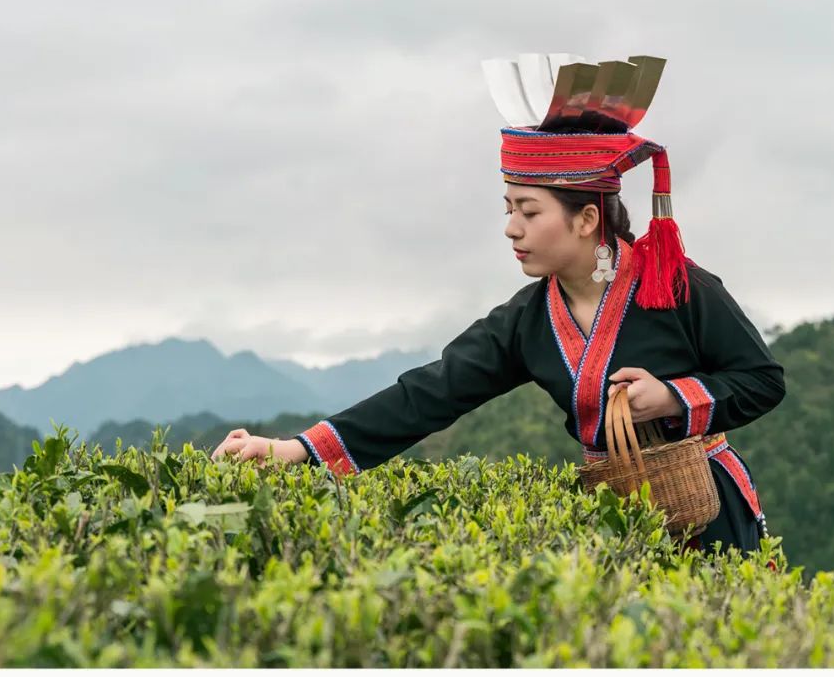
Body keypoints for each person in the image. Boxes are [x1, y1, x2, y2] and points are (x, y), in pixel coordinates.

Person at [211, 54, 786, 555]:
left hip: (711, 513)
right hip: (618, 518)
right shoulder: (527, 321)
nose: (511, 228)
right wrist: (295, 450)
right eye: (509, 208)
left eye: (529, 212)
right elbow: (429, 393)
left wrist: (671, 397)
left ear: (586, 219)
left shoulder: (678, 284)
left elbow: (762, 380)